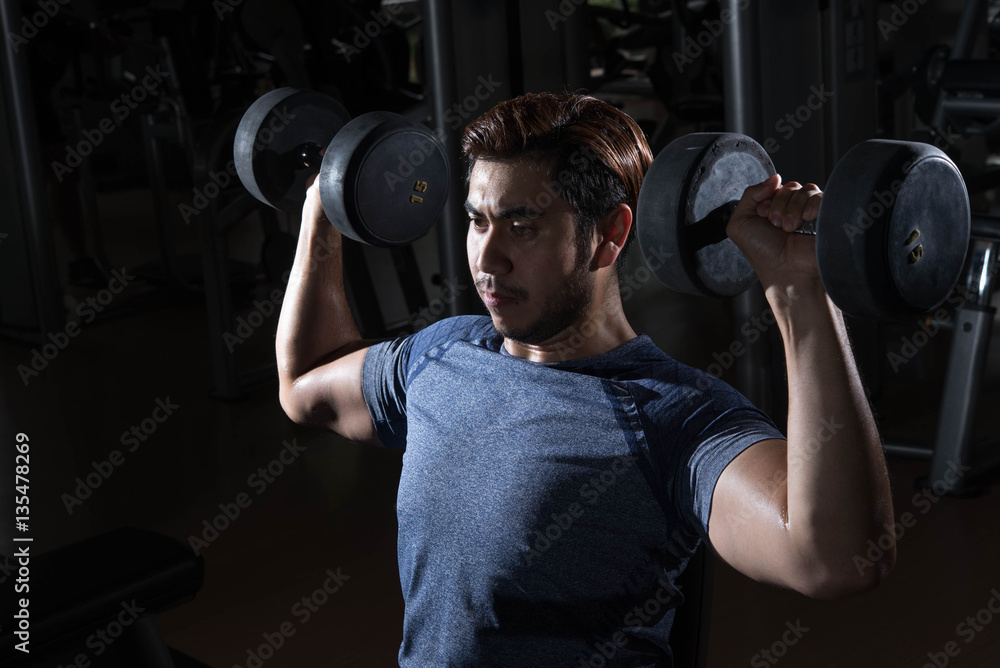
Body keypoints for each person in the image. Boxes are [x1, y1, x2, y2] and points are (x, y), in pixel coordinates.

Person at [275, 92, 896, 666]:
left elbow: (835, 559)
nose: (487, 261)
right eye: (477, 221)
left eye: (522, 226)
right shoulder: (441, 355)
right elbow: (305, 384)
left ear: (609, 235)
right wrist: (323, 207)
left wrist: (800, 291)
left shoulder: (671, 417)